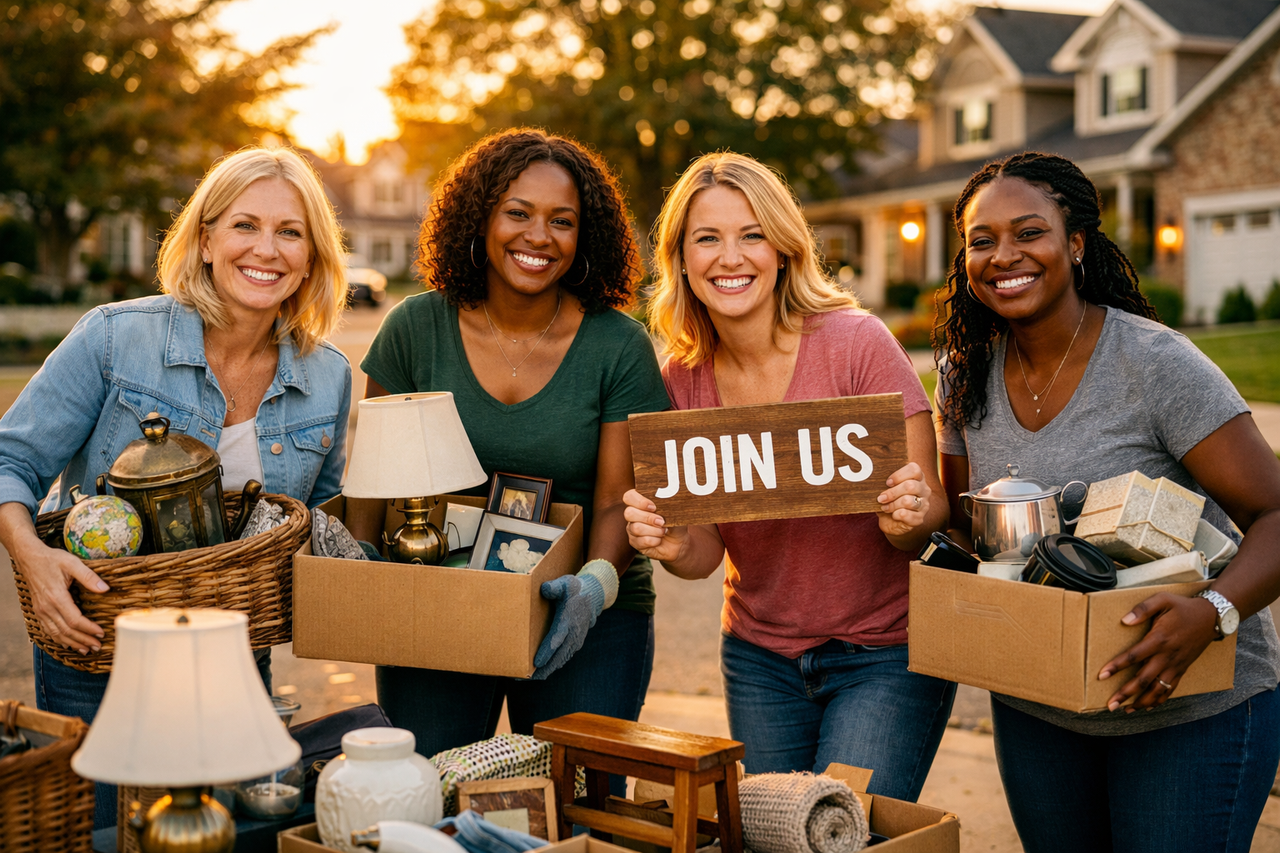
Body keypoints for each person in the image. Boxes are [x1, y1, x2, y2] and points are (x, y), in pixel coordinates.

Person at [935, 151, 1280, 853]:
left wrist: (1213, 611)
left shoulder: (1154, 365)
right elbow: (963, 527)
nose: (1005, 255)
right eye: (982, 240)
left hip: (1189, 710)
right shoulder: (963, 375)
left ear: (1076, 243)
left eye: (1029, 232)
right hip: (1039, 706)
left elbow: (1276, 513)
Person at [0, 145, 352, 827]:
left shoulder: (328, 376)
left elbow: (318, 519)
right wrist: (33, 558)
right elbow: (9, 460)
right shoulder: (114, 339)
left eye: (290, 231)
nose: (267, 249)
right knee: (101, 833)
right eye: (245, 225)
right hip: (96, 640)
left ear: (312, 256)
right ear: (206, 238)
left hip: (236, 658)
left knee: (228, 832)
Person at [622, 152, 955, 801]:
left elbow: (928, 516)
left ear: (782, 249)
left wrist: (910, 514)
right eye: (707, 238)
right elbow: (704, 553)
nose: (730, 256)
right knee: (776, 833)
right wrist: (670, 544)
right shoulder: (681, 380)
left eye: (751, 234)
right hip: (759, 660)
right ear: (682, 259)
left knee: (839, 834)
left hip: (884, 655)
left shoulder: (858, 344)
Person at [346, 129, 670, 765]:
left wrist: (595, 586)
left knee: (576, 808)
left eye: (562, 221)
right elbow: (374, 485)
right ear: (480, 218)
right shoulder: (415, 329)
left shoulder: (617, 346)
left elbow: (615, 501)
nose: (538, 237)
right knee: (426, 794)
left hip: (586, 614)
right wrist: (359, 573)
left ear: (587, 237)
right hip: (436, 602)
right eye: (517, 213)